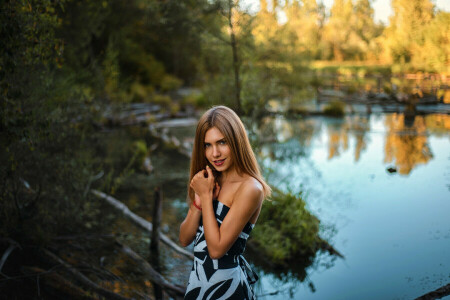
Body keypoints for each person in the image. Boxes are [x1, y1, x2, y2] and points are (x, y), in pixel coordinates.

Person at [179, 106, 271, 299]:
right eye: (208, 145)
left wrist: (205, 197)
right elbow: (185, 238)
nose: (215, 153)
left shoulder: (250, 188)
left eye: (222, 142)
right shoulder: (211, 179)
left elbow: (216, 250)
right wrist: (198, 203)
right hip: (198, 283)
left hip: (226, 289)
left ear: (236, 141)